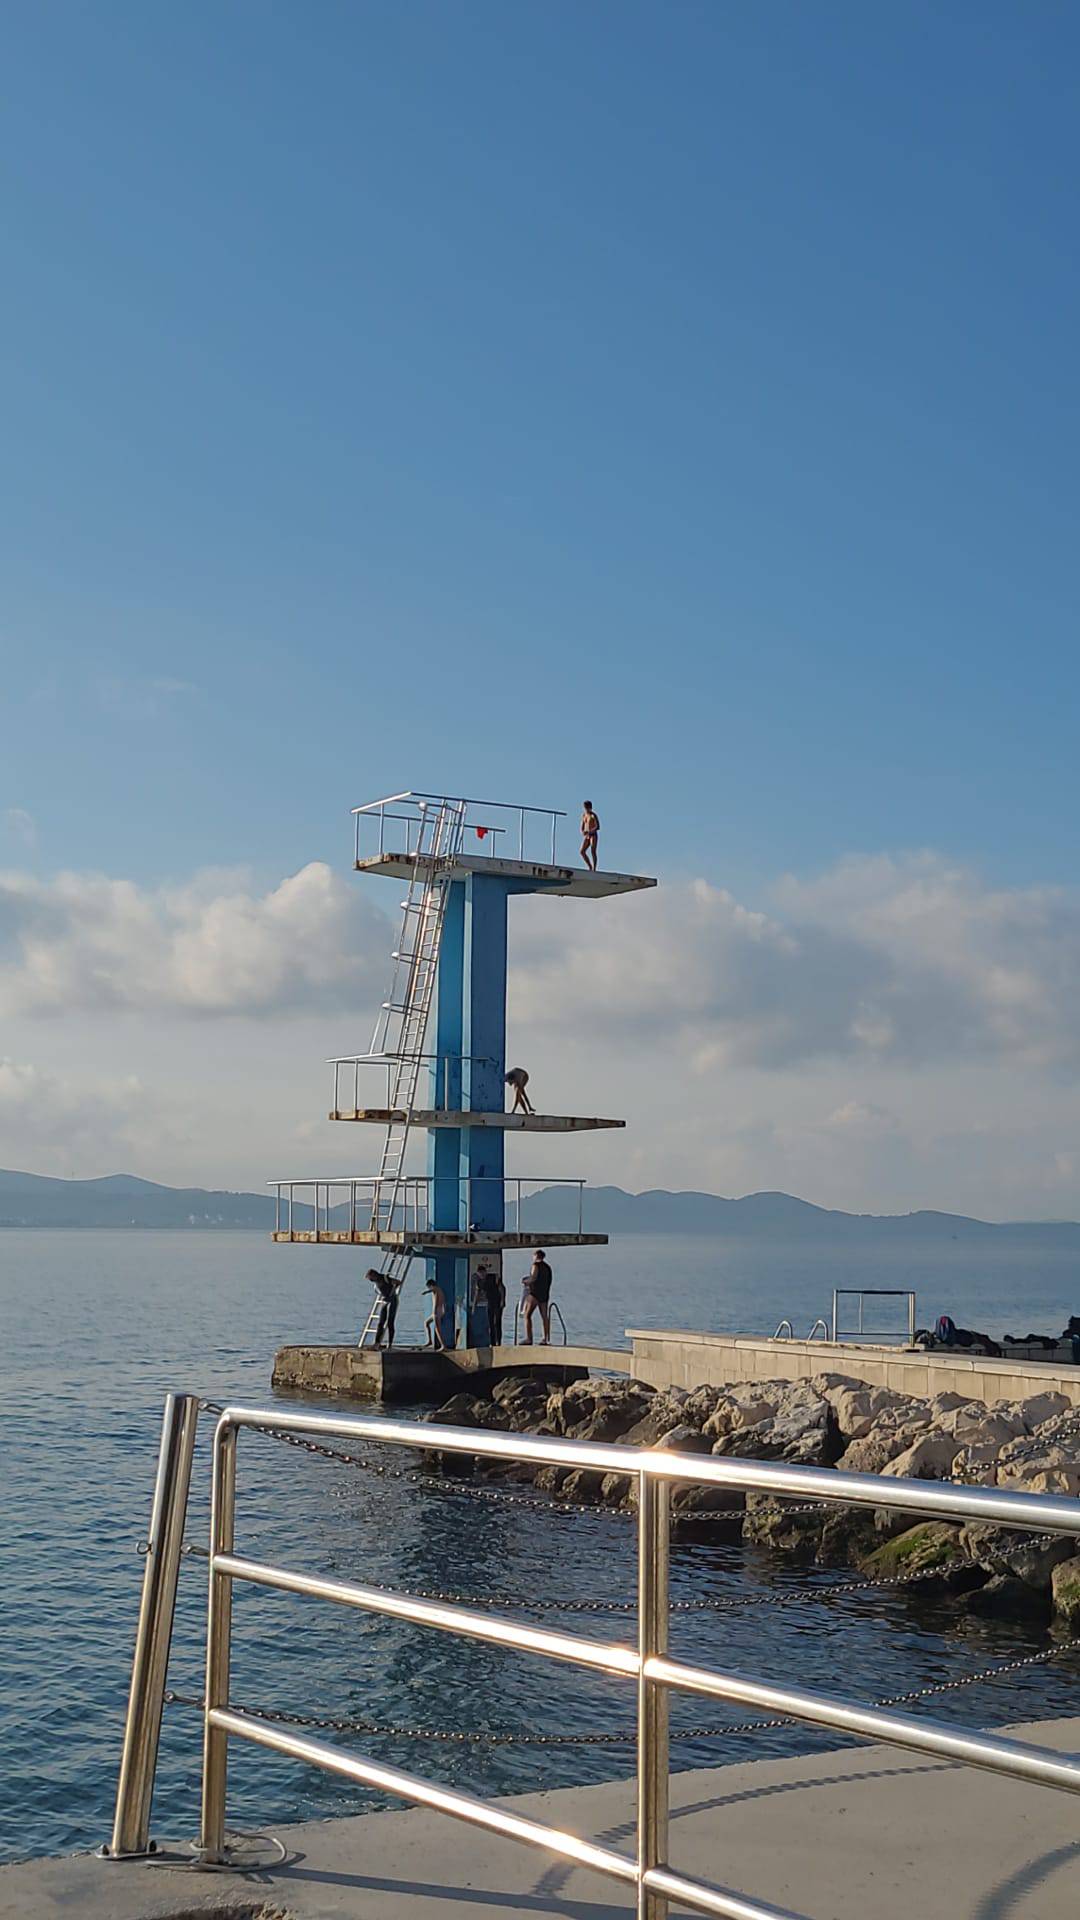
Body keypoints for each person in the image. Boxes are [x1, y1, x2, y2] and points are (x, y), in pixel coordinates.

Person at [522, 1248, 553, 1345]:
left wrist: (525, 1281)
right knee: (544, 1316)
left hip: (535, 1293)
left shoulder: (535, 1265)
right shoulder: (548, 1267)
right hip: (545, 1293)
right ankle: (545, 1338)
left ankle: (529, 1338)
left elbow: (533, 1278)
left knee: (527, 1315)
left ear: (536, 1256)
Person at [366, 1267, 398, 1348]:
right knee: (381, 1323)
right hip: (385, 1301)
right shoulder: (376, 1282)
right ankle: (377, 1343)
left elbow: (398, 1282)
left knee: (390, 1322)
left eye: (371, 1278)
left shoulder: (384, 1278)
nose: (371, 1280)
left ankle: (389, 1344)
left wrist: (392, 1291)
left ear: (374, 1275)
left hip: (392, 1300)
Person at [423, 1278, 447, 1349]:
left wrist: (434, 1312)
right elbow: (444, 1302)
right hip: (440, 1310)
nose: (429, 1288)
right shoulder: (440, 1290)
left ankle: (443, 1345)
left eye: (428, 1287)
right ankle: (430, 1341)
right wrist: (443, 1310)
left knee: (437, 1329)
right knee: (426, 1323)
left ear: (431, 1285)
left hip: (436, 1311)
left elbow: (436, 1301)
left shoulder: (436, 1290)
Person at [580, 801, 600, 872]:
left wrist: (591, 831)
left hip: (593, 835)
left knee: (593, 851)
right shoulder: (584, 815)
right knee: (582, 851)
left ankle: (594, 868)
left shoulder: (593, 815)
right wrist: (583, 831)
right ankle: (590, 866)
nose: (586, 810)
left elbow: (598, 826)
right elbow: (582, 826)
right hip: (587, 835)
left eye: (588, 808)